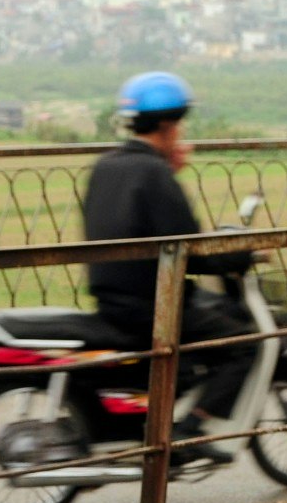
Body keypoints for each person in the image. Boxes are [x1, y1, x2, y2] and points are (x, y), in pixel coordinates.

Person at [80, 70, 259, 467]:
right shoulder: (153, 173)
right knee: (243, 343)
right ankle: (189, 431)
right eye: (178, 125)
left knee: (210, 318)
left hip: (111, 299)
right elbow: (190, 250)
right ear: (166, 126)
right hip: (150, 306)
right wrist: (239, 254)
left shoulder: (105, 166)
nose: (180, 133)